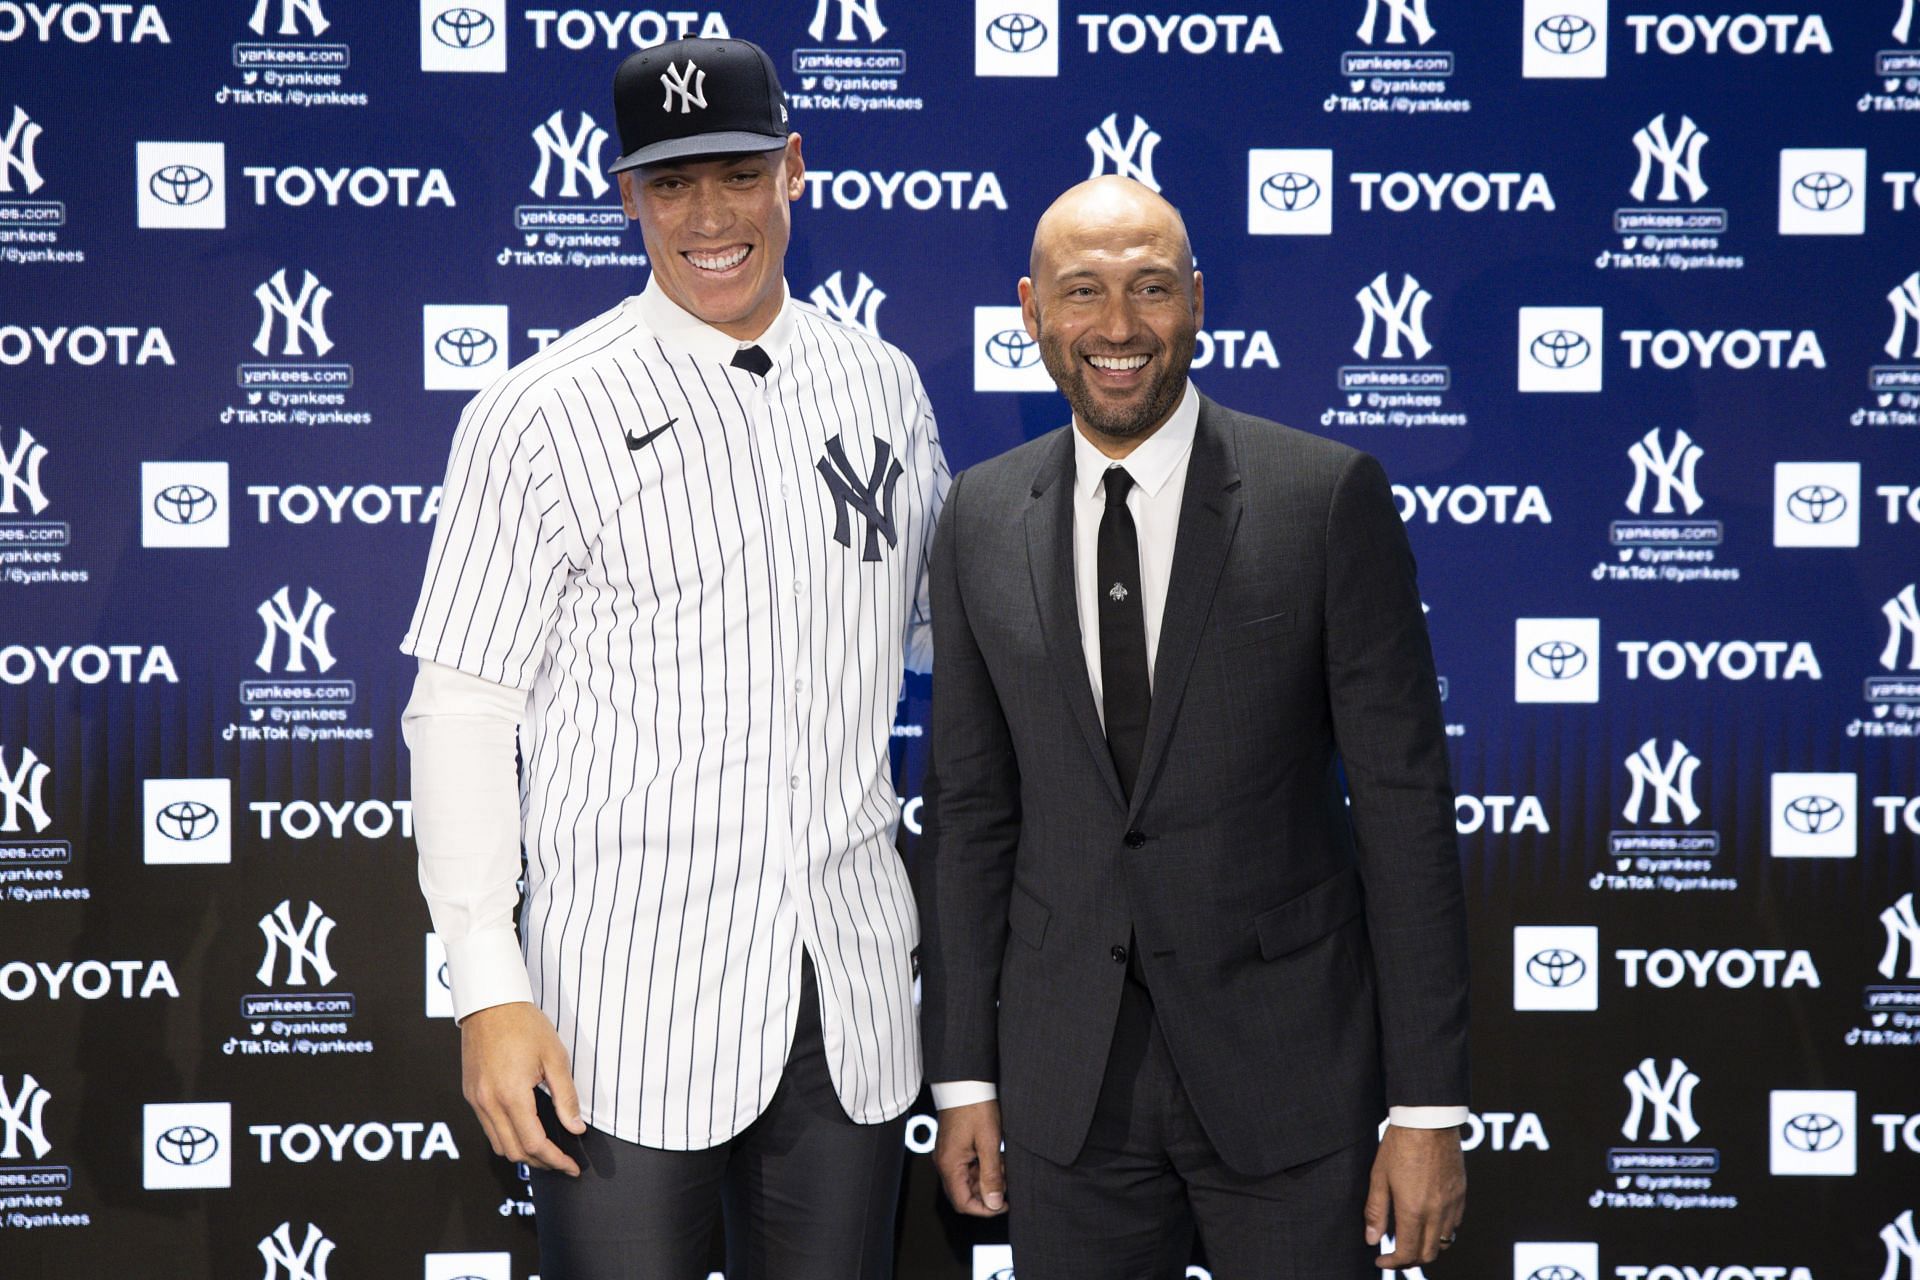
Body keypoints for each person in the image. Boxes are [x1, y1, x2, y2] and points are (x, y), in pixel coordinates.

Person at [399, 37, 948, 1280]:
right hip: (625, 1013)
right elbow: (465, 714)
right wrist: (489, 985)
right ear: (626, 193)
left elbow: (942, 637)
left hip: (848, 998)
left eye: (740, 175)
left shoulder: (884, 386)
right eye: (671, 183)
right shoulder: (541, 412)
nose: (711, 216)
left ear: (793, 170)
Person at [915, 176, 1469, 1279]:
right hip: (1067, 1092)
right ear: (1031, 310)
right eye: (1082, 292)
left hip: (1291, 1076)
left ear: (1198, 303)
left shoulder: (1323, 495)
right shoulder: (977, 513)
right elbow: (973, 815)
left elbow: (1404, 810)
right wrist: (964, 1076)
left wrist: (1428, 1103)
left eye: (1150, 289)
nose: (1117, 329)